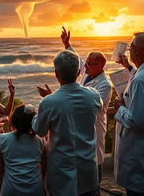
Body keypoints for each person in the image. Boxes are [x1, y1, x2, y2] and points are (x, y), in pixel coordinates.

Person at [38, 27, 112, 190]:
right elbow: (73, 64)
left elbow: (90, 107)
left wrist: (54, 99)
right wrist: (67, 44)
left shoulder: (104, 86)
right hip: (80, 131)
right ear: (81, 70)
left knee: (94, 174)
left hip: (92, 130)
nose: (89, 66)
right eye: (87, 63)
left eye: (94, 64)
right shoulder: (89, 85)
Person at [32, 50, 102, 196]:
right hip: (88, 169)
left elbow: (40, 131)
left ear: (56, 73)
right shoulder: (93, 95)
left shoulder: (49, 102)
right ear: (78, 72)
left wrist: (33, 117)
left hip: (61, 173)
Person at [114, 32, 144, 196]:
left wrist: (120, 108)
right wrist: (129, 67)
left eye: (131, 47)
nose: (129, 50)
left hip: (138, 154)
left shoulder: (142, 80)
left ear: (138, 51)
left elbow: (138, 121)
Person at [0, 104, 46, 196]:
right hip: (35, 188)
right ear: (33, 122)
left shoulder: (2, 140)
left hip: (10, 189)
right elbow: (44, 166)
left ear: (14, 121)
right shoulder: (40, 140)